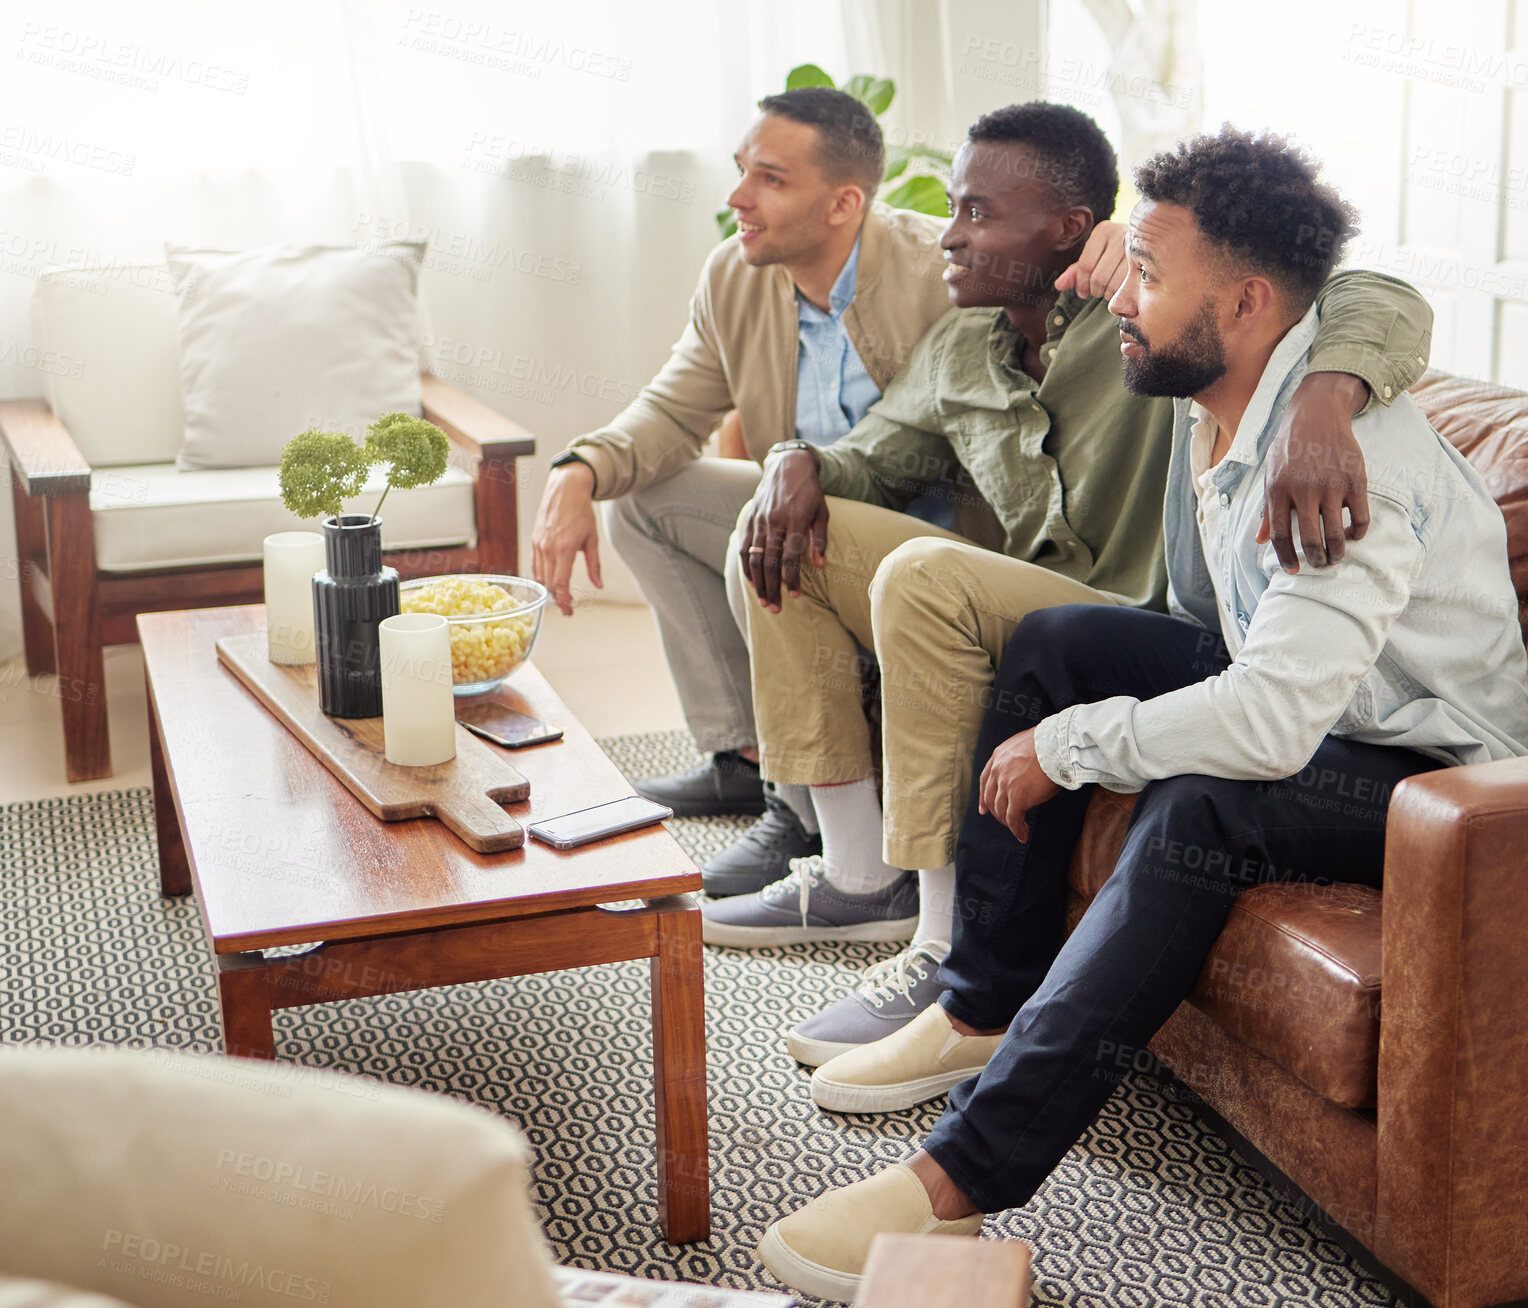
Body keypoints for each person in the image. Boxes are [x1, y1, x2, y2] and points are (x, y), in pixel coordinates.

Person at [752, 125, 1528, 1305]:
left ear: (1251, 301)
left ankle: (960, 1181)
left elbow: (1270, 728)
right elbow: (1239, 638)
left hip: (1424, 766)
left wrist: (1068, 749)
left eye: (1148, 281)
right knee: (1057, 638)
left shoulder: (1341, 463)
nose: (1125, 297)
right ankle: (980, 995)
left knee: (1206, 804)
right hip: (1321, 695)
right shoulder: (1229, 376)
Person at [701, 103, 1434, 1066]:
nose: (947, 235)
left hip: (1142, 626)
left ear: (1070, 228)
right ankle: (855, 874)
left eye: (973, 213)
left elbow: (1376, 295)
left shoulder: (1147, 315)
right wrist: (793, 460)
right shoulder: (961, 348)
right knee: (788, 532)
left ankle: (940, 944)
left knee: (924, 573)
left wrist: (1327, 395)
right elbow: (867, 463)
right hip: (1035, 618)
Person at [531, 87, 986, 890]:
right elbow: (673, 409)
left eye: (770, 179)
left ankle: (806, 811)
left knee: (761, 532)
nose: (738, 198)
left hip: (930, 548)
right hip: (801, 516)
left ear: (845, 203)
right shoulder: (736, 277)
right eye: (743, 171)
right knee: (646, 498)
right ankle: (750, 759)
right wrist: (580, 470)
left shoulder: (934, 273)